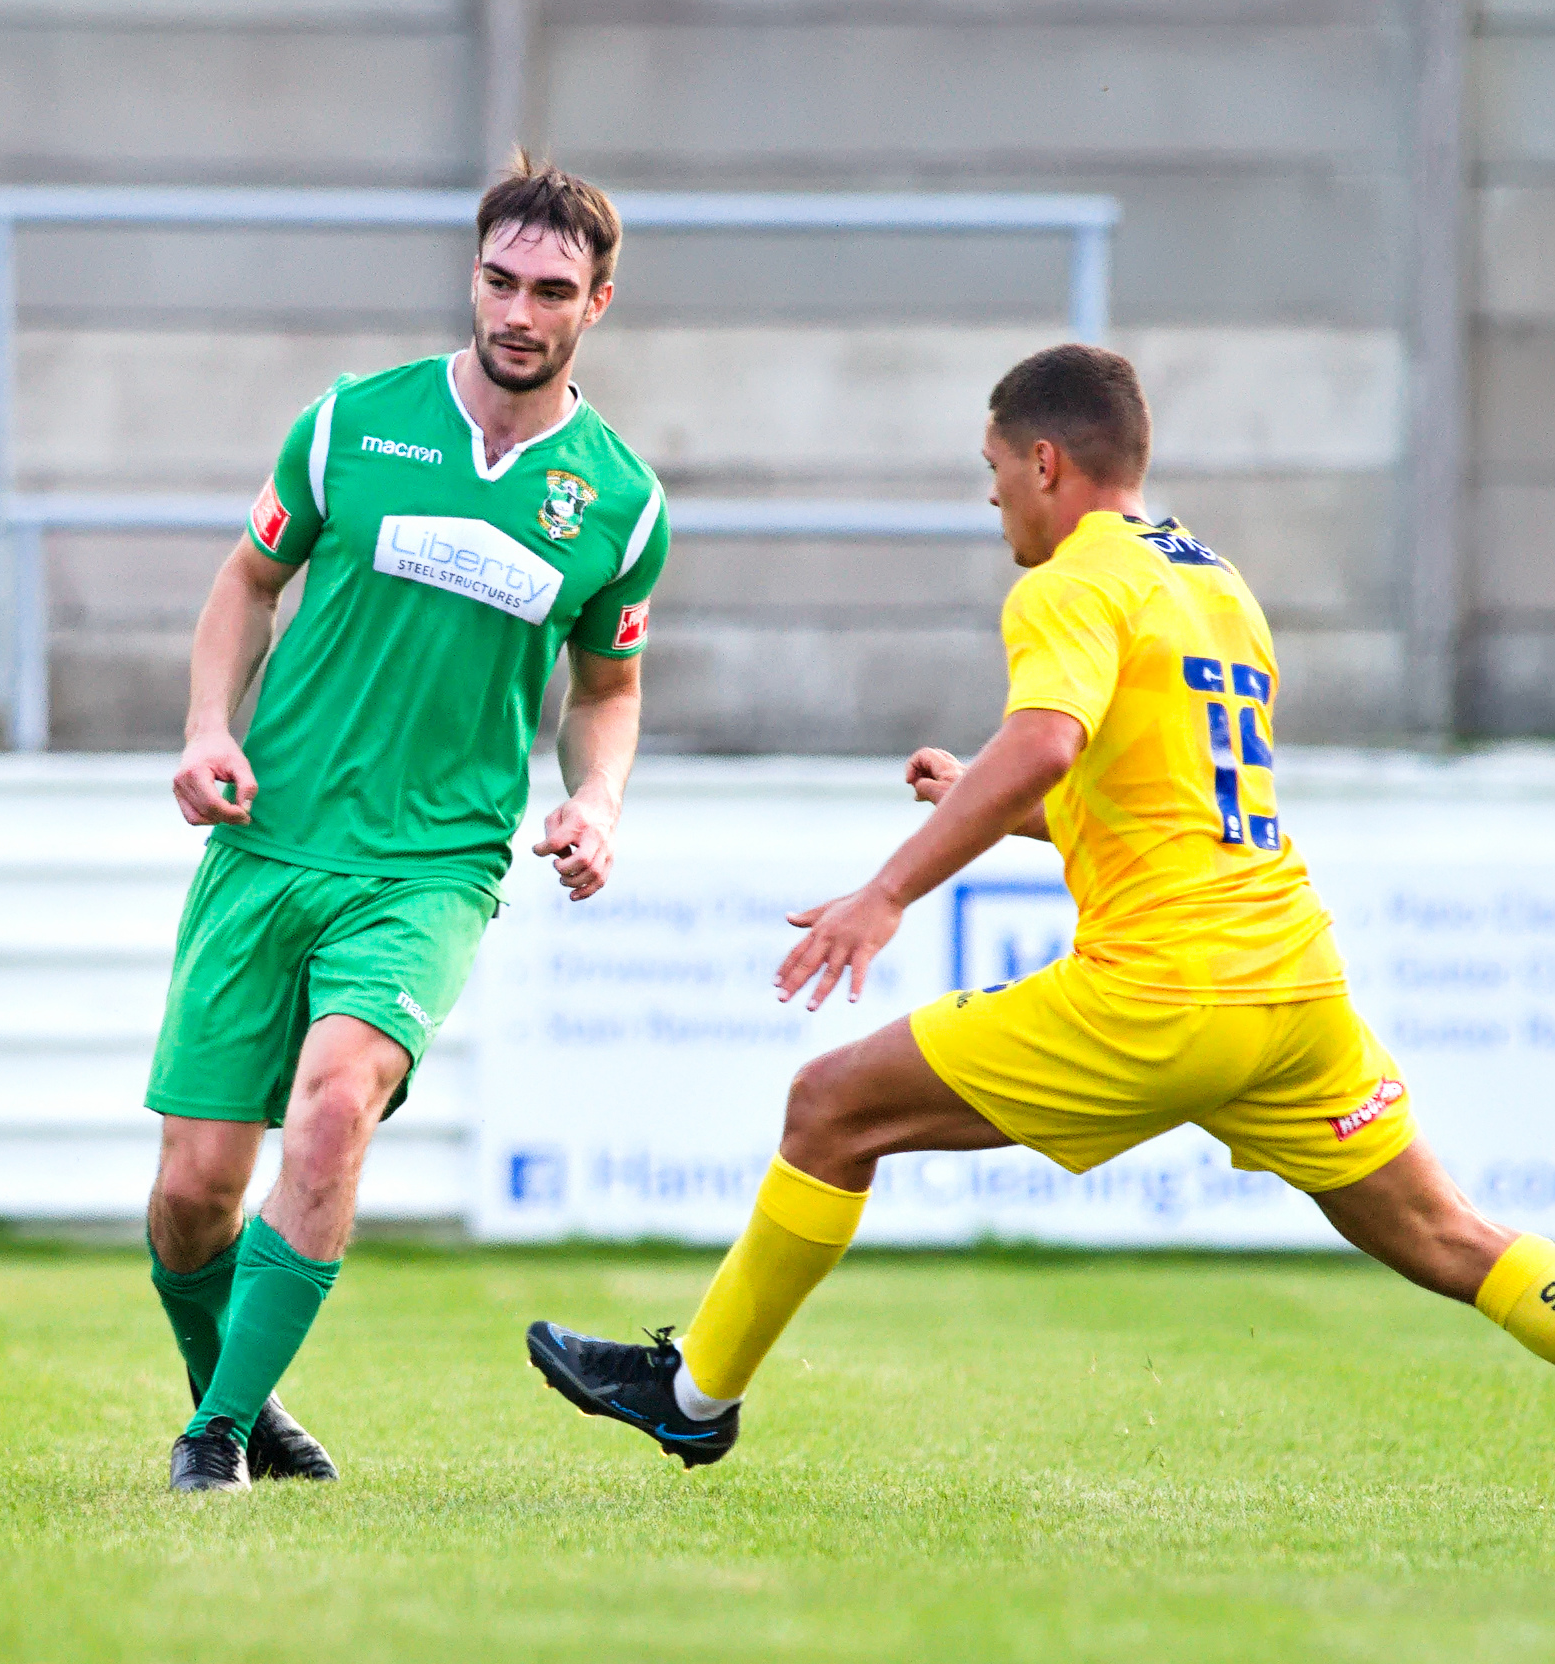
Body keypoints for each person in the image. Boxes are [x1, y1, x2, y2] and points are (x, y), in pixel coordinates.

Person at [528, 343, 1555, 1467]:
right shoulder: (1214, 581)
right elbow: (1148, 799)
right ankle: (691, 1390)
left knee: (829, 1107)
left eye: (994, 466)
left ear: (1047, 462)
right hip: (1294, 988)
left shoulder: (1065, 581)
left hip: (1162, 990)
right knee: (1455, 1237)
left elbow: (1045, 744)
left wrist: (885, 891)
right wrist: (981, 791)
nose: (990, 493)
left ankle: (693, 1393)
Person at [148, 153, 671, 1492]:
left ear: (596, 303)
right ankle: (241, 1390)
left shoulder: (617, 503)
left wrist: (596, 802)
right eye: (499, 278)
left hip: (430, 869)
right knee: (196, 1192)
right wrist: (209, 725)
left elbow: (606, 689)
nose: (517, 308)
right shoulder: (347, 425)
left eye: (550, 289)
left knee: (333, 1113)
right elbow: (246, 581)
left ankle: (212, 1440)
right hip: (269, 839)